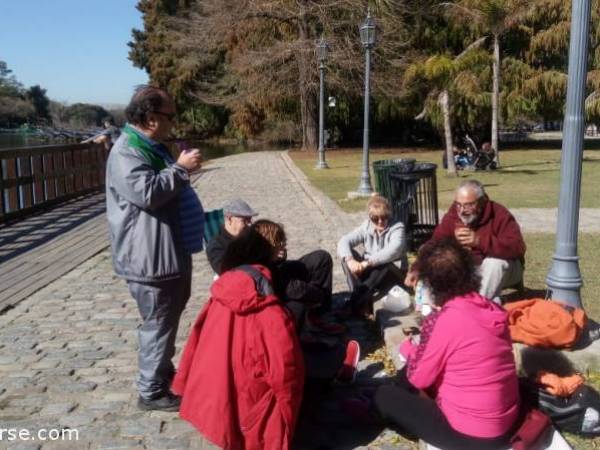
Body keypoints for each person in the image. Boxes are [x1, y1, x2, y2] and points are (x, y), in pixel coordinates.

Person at [105, 85, 204, 411]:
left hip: (168, 252)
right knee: (159, 323)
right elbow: (146, 194)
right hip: (150, 258)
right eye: (170, 117)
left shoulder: (150, 146)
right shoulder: (126, 152)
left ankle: (161, 373)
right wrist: (180, 169)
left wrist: (179, 170)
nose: (174, 123)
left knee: (165, 320)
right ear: (150, 118)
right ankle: (151, 391)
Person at [373, 238, 520, 450]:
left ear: (432, 283)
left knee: (385, 395)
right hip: (506, 423)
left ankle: (367, 409)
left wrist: (411, 348)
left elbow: (419, 378)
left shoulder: (447, 320)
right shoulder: (490, 308)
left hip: (471, 435)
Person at [172, 227, 305, 450]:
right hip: (254, 416)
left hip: (214, 401)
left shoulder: (219, 294)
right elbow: (285, 370)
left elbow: (193, 346)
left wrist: (185, 385)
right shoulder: (268, 308)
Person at [407, 179, 525, 303]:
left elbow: (518, 247)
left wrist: (479, 241)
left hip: (505, 270)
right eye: (458, 204)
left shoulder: (499, 214)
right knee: (438, 260)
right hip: (470, 269)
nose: (462, 210)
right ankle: (434, 310)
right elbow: (435, 244)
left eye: (468, 205)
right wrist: (416, 268)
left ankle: (477, 306)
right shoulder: (454, 214)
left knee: (494, 263)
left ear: (483, 201)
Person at [253, 219, 345, 335]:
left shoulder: (267, 257)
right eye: (279, 244)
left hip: (281, 276)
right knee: (299, 305)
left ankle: (319, 314)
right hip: (275, 298)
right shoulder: (260, 265)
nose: (282, 246)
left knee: (321, 258)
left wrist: (279, 257)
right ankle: (308, 329)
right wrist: (318, 294)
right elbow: (291, 288)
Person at [337, 195, 408, 314]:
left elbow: (393, 251)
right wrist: (350, 261)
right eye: (375, 218)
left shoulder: (397, 227)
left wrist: (367, 263)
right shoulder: (366, 226)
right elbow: (344, 241)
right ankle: (362, 295)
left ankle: (354, 304)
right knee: (346, 256)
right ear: (370, 218)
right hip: (370, 271)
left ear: (389, 215)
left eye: (384, 217)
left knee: (382, 265)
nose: (380, 221)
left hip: (392, 272)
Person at [206, 198, 258, 274]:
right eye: (245, 220)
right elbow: (223, 270)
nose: (250, 224)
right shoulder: (216, 245)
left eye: (250, 220)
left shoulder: (251, 236)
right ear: (229, 219)